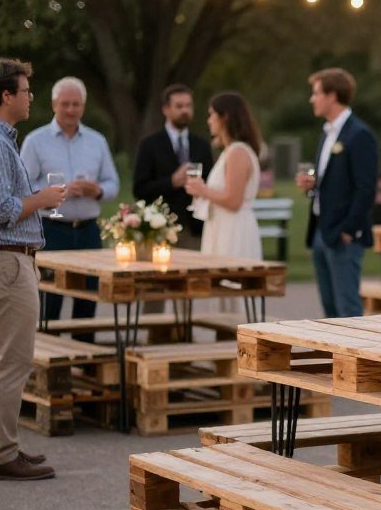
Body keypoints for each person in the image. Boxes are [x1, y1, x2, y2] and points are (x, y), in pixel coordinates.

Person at [0, 58, 65, 480]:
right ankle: (1, 455)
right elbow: (0, 210)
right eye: (25, 91)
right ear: (6, 95)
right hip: (5, 260)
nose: (31, 97)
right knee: (12, 361)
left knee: (0, 360)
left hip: (5, 259)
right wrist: (41, 199)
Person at [20, 77, 120, 327]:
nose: (70, 110)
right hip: (51, 231)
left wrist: (97, 190)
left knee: (89, 300)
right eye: (65, 104)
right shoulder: (35, 141)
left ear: (83, 107)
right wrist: (58, 192)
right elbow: (22, 187)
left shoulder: (97, 141)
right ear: (54, 104)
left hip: (88, 231)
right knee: (49, 301)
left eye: (76, 104)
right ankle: (48, 350)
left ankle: (85, 350)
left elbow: (113, 184)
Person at [297, 67, 377, 319]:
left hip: (343, 234)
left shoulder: (359, 134)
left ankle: (358, 348)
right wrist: (313, 185)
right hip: (321, 229)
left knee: (348, 310)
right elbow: (337, 181)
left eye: (316, 93)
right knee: (329, 309)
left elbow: (366, 189)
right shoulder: (327, 133)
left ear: (332, 96)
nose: (312, 99)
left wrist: (348, 230)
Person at [185, 92, 263, 311]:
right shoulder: (230, 151)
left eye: (212, 115)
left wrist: (202, 189)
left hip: (233, 229)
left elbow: (233, 200)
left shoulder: (238, 152)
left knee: (233, 293)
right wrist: (203, 192)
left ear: (225, 117)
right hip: (222, 226)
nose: (209, 120)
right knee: (221, 295)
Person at [133, 83, 214, 251]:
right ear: (166, 110)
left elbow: (211, 183)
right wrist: (171, 182)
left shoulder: (202, 145)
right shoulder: (150, 145)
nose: (185, 110)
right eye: (179, 106)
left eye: (188, 106)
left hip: (196, 230)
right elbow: (140, 190)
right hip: (160, 230)